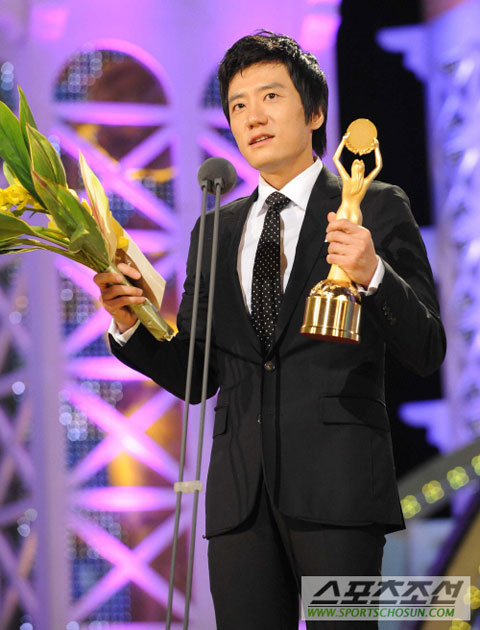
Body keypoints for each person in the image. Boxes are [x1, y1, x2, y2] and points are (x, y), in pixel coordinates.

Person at [94, 31, 446, 630]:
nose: (252, 116)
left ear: (314, 113)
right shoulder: (215, 229)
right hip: (240, 505)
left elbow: (427, 347)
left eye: (270, 96)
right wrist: (130, 324)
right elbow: (198, 375)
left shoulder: (375, 206)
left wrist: (373, 273)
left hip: (340, 495)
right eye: (237, 105)